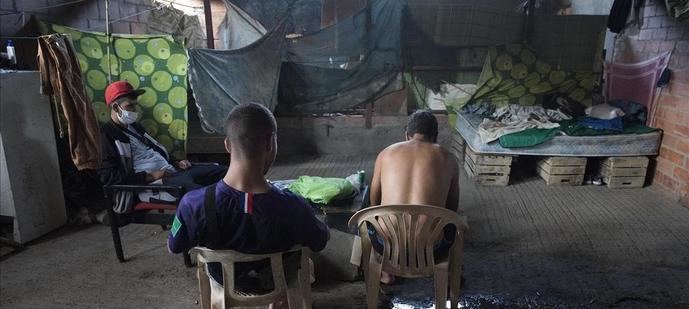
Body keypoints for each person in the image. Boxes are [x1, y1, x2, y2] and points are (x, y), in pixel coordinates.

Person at [167, 103, 329, 307]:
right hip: (277, 283)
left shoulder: (192, 204)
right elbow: (320, 241)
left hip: (223, 281)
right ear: (270, 143)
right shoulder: (294, 205)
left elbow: (175, 246)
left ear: (227, 145)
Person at [98, 81, 227, 210]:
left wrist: (176, 162)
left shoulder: (134, 127)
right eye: (130, 106)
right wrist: (151, 176)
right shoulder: (107, 135)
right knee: (203, 196)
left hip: (171, 171)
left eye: (135, 105)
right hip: (150, 185)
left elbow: (153, 151)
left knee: (224, 172)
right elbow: (109, 177)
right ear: (115, 108)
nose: (134, 110)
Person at [369, 110, 460, 283]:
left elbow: (374, 201)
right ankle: (448, 273)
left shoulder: (386, 153)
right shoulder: (448, 158)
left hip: (385, 246)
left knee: (369, 218)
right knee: (453, 223)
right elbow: (452, 205)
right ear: (435, 137)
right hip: (432, 249)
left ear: (407, 135)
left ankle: (387, 272)